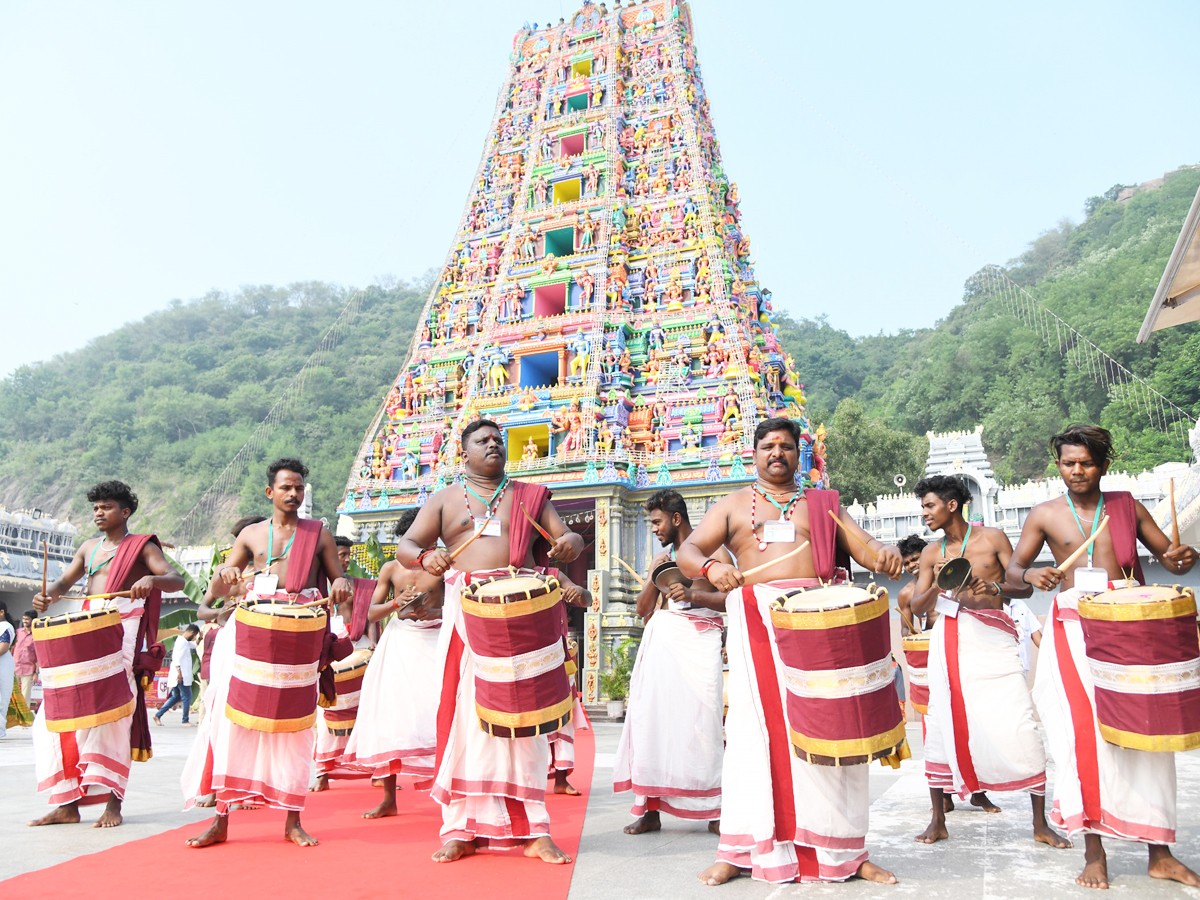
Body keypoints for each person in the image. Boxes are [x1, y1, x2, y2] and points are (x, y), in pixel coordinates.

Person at [677, 417, 903, 886]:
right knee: (751, 735)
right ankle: (741, 849)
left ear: (799, 455)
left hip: (818, 628)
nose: (777, 453)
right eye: (768, 446)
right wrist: (711, 567)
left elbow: (865, 548)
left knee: (830, 731)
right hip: (757, 627)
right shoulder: (735, 505)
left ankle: (847, 852)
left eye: (786, 447)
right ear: (753, 454)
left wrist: (885, 550)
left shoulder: (822, 505)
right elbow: (690, 550)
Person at [1008, 424, 1200, 889]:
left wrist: (1181, 559)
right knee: (1080, 739)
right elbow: (1012, 572)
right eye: (1069, 462)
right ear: (1059, 465)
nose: (1077, 470)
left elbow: (1170, 556)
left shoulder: (1126, 506)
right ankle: (1094, 851)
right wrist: (1033, 575)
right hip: (1072, 630)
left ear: (1104, 466)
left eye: (1087, 463)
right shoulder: (1044, 514)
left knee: (1144, 734)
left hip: (1129, 625)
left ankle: (1160, 853)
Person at [396, 419, 586, 865]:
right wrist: (427, 556)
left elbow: (567, 537)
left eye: (498, 440)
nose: (493, 445)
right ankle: (462, 828)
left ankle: (535, 829)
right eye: (482, 441)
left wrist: (571, 544)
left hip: (524, 616)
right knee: (468, 717)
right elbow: (406, 544)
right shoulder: (444, 500)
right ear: (464, 453)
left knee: (526, 717)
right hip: (469, 615)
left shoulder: (528, 497)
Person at [182, 458, 352, 848]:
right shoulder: (250, 536)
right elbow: (214, 593)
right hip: (251, 639)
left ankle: (292, 821)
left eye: (299, 488)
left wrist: (341, 581)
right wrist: (225, 576)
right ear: (269, 492)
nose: (294, 494)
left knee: (295, 729)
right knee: (234, 725)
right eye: (286, 488)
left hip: (299, 641)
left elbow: (335, 576)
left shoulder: (319, 533)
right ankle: (221, 821)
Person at [908, 475, 1067, 849]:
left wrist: (993, 587)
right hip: (949, 641)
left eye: (929, 506)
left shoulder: (992, 538)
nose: (925, 514)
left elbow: (1022, 585)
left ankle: (1040, 823)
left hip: (993, 639)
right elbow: (916, 606)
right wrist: (939, 584)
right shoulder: (932, 553)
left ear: (951, 505)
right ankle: (937, 820)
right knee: (943, 719)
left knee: (1018, 721)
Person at [30, 480, 182, 828]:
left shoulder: (143, 547)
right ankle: (68, 804)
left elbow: (174, 579)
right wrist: (46, 597)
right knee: (54, 718)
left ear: (125, 512)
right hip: (86, 629)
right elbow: (64, 583)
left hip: (121, 632)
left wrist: (153, 582)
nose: (99, 512)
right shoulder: (88, 547)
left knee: (113, 715)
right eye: (96, 507)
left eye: (107, 506)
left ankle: (114, 803)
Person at [613, 489, 730, 836]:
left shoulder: (714, 551)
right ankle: (650, 810)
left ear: (676, 519)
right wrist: (657, 572)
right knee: (653, 723)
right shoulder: (661, 556)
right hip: (662, 642)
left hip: (700, 641)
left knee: (703, 725)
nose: (653, 528)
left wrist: (694, 594)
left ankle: (717, 810)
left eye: (657, 521)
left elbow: (731, 597)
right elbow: (642, 609)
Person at [346, 508, 446, 819]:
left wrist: (437, 613)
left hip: (437, 641)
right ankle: (389, 797)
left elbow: (461, 604)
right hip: (400, 642)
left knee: (443, 712)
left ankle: (452, 792)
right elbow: (369, 614)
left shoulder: (445, 566)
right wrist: (394, 603)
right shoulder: (391, 568)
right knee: (391, 717)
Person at [188, 515, 262, 808]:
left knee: (255, 715)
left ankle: (248, 786)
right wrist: (225, 610)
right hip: (231, 643)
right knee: (221, 713)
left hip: (264, 643)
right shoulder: (227, 573)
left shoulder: (279, 570)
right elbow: (202, 610)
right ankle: (217, 786)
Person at [154, 624, 199, 726]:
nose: (195, 637)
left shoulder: (185, 642)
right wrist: (179, 674)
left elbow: (195, 644)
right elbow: (177, 659)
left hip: (181, 675)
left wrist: (200, 638)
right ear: (191, 632)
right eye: (195, 635)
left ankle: (158, 715)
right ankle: (185, 720)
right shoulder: (181, 643)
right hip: (181, 675)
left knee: (175, 697)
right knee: (187, 697)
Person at [14, 610, 38, 716]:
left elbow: (38, 656)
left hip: (28, 669)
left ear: (33, 621)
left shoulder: (37, 635)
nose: (24, 621)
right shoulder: (17, 632)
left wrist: (36, 673)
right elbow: (11, 648)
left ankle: (24, 719)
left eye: (27, 619)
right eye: (23, 618)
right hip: (14, 667)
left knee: (25, 695)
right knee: (11, 694)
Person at [0, 601, 15, 737]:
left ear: (1, 612)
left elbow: (3, 647)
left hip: (2, 665)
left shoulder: (5, 626)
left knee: (1, 699)